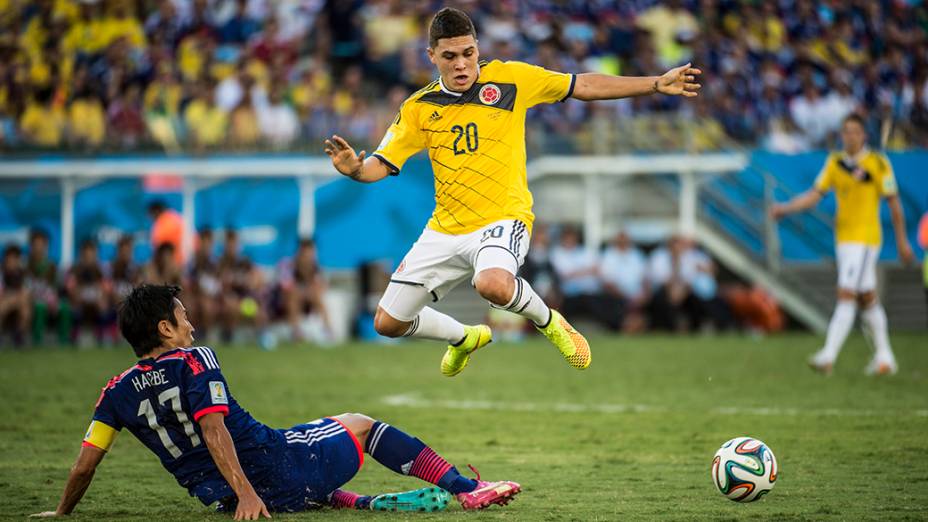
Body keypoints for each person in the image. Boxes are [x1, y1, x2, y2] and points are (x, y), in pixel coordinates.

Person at [324, 7, 701, 375]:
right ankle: (464, 338)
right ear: (432, 56)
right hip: (444, 228)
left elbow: (581, 84)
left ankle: (550, 321)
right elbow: (382, 164)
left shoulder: (511, 79)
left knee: (491, 284)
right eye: (450, 56)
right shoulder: (419, 108)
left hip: (503, 217)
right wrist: (357, 170)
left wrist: (654, 83)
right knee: (387, 322)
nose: (461, 64)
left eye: (468, 53)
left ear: (477, 48)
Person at [32, 284, 520, 518]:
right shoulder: (195, 359)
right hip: (271, 471)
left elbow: (83, 467)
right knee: (360, 423)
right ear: (165, 329)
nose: (192, 325)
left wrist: (61, 513)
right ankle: (463, 487)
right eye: (183, 318)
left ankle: (353, 500)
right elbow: (213, 429)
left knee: (301, 455)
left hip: (224, 498)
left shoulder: (114, 391)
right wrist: (249, 491)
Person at [771, 113, 915, 376]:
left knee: (846, 293)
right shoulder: (835, 162)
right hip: (844, 239)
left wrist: (903, 242)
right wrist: (785, 208)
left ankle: (828, 355)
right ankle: (885, 357)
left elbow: (894, 205)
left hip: (865, 239)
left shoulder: (878, 163)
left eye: (855, 131)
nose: (850, 136)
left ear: (864, 135)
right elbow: (814, 196)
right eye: (846, 131)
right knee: (867, 298)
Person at [1, 244, 31, 346]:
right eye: (10, 259)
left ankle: (19, 336)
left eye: (15, 259)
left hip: (18, 302)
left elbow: (26, 292)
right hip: (4, 301)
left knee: (25, 308)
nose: (12, 262)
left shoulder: (23, 273)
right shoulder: (1, 272)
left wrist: (13, 298)